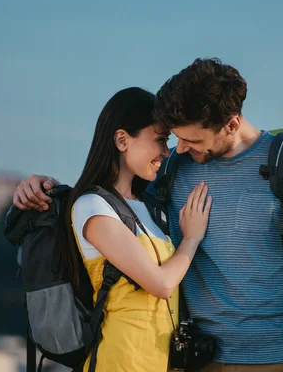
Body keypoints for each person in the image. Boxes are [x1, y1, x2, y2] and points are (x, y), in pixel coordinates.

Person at [15, 58, 283, 372]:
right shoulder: (172, 168)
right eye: (175, 139)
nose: (181, 148)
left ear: (231, 124)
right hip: (192, 361)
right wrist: (41, 186)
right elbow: (110, 194)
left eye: (191, 140)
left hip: (277, 361)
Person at [54, 87, 212, 371]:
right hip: (121, 361)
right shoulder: (92, 207)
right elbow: (161, 284)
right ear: (122, 140)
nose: (166, 151)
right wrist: (191, 238)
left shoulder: (149, 205)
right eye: (160, 140)